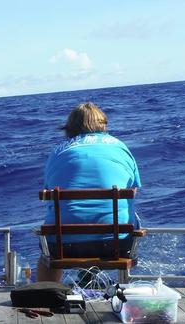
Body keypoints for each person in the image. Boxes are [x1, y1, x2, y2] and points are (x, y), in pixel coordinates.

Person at [36, 102, 141, 282]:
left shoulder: (58, 151)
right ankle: (120, 287)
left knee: (47, 257)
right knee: (128, 216)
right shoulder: (120, 146)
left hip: (63, 246)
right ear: (103, 125)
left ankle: (45, 294)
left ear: (70, 127)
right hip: (117, 245)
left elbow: (48, 189)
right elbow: (133, 189)